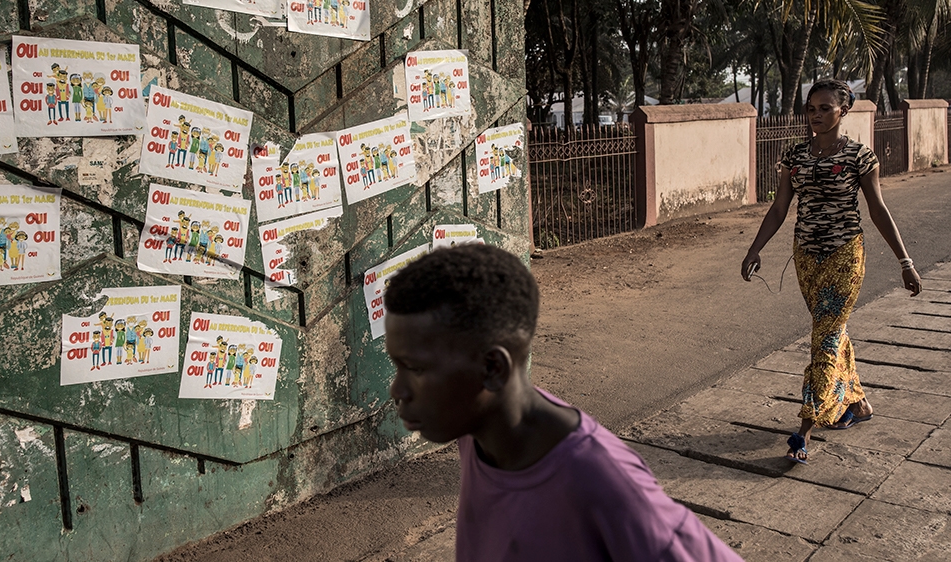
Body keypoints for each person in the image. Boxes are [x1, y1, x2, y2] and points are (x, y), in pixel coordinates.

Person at [385, 244, 742, 562]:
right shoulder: (474, 429)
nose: (397, 389)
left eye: (414, 368)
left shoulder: (601, 479)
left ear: (492, 368)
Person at [741, 79, 922, 465]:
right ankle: (858, 404)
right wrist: (755, 249)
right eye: (811, 108)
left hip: (845, 256)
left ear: (844, 110)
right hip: (806, 256)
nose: (817, 116)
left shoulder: (860, 156)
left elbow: (877, 209)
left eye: (825, 108)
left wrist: (905, 262)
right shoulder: (794, 156)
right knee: (832, 330)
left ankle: (805, 430)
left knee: (823, 338)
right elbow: (779, 209)